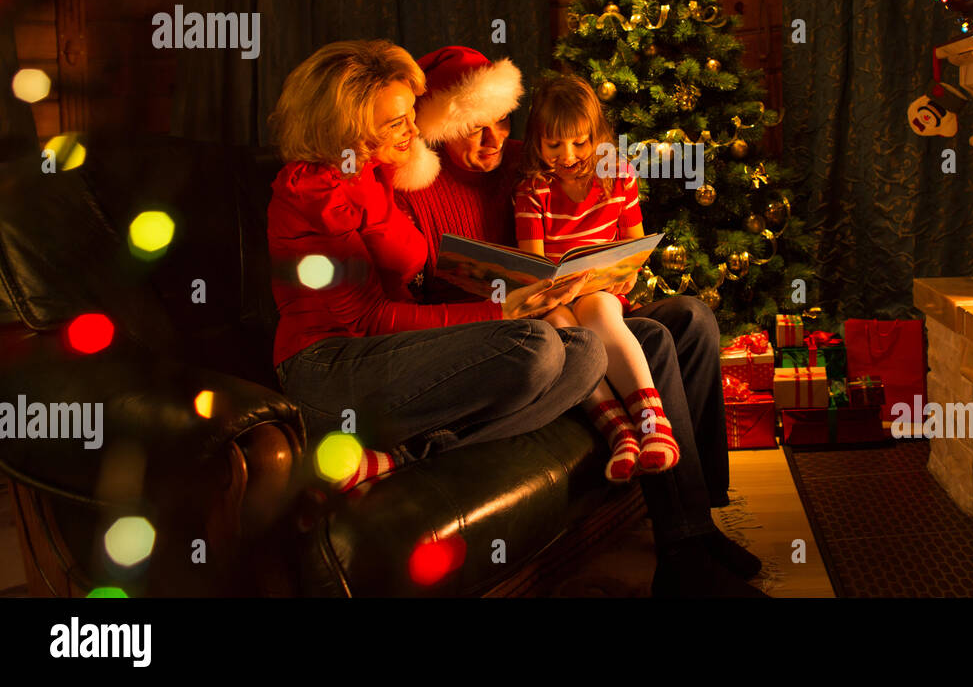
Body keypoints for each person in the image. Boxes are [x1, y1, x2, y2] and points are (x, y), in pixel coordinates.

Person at [392, 46, 765, 597]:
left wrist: (617, 267)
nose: (494, 140)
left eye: (501, 122)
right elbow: (416, 293)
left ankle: (703, 512)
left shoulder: (534, 153)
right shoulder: (417, 190)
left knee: (693, 316)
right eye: (475, 129)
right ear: (442, 129)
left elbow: (585, 161)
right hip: (523, 327)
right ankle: (682, 550)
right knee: (657, 340)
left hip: (585, 299)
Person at [266, 39, 602, 492]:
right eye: (396, 122)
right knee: (536, 345)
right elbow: (372, 319)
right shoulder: (316, 193)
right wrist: (508, 310)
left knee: (585, 353)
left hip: (392, 350)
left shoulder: (381, 172)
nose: (413, 129)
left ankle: (412, 454)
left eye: (411, 115)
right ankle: (402, 451)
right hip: (329, 367)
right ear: (347, 130)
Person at [514, 76, 678, 483]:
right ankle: (618, 432)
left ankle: (653, 424)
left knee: (602, 312)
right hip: (553, 299)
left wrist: (625, 273)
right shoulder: (533, 190)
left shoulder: (618, 177)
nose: (567, 155)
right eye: (554, 145)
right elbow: (534, 266)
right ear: (537, 142)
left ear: (596, 136)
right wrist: (553, 290)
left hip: (599, 290)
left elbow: (634, 247)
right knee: (561, 331)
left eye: (579, 143)